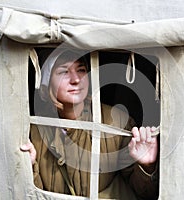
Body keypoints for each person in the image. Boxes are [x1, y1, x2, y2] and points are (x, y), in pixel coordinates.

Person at [21, 49, 159, 199]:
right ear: (46, 84)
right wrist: (29, 167)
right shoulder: (33, 132)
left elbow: (145, 193)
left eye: (81, 70)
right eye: (63, 72)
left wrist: (146, 166)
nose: (76, 79)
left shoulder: (115, 120)